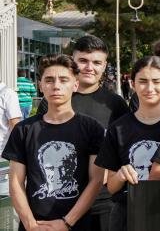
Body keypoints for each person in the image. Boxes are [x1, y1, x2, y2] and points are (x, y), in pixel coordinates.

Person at [36, 35, 130, 231]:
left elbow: (124, 151)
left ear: (104, 66)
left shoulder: (115, 104)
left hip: (103, 203)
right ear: (73, 61)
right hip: (59, 201)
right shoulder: (51, 101)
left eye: (96, 62)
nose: (89, 67)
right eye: (83, 61)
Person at [3, 55, 105, 231]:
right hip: (34, 225)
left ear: (75, 84)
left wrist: (67, 222)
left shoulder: (92, 128)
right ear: (41, 86)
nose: (56, 86)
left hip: (79, 224)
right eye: (49, 80)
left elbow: (96, 180)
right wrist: (30, 224)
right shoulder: (24, 129)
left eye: (63, 80)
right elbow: (15, 182)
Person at [95, 56, 160, 231]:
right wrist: (120, 175)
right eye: (142, 81)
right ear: (132, 83)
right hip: (128, 215)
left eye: (156, 81)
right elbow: (110, 186)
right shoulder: (118, 128)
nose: (149, 88)